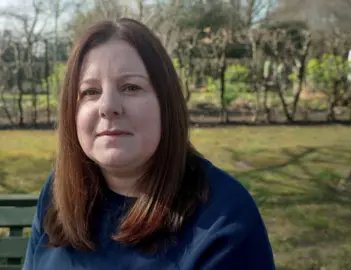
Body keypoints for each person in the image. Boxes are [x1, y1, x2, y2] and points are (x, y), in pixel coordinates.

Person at [22, 18, 275, 270]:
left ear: (166, 104)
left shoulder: (225, 218)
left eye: (130, 87)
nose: (108, 107)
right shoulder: (59, 192)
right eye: (90, 92)